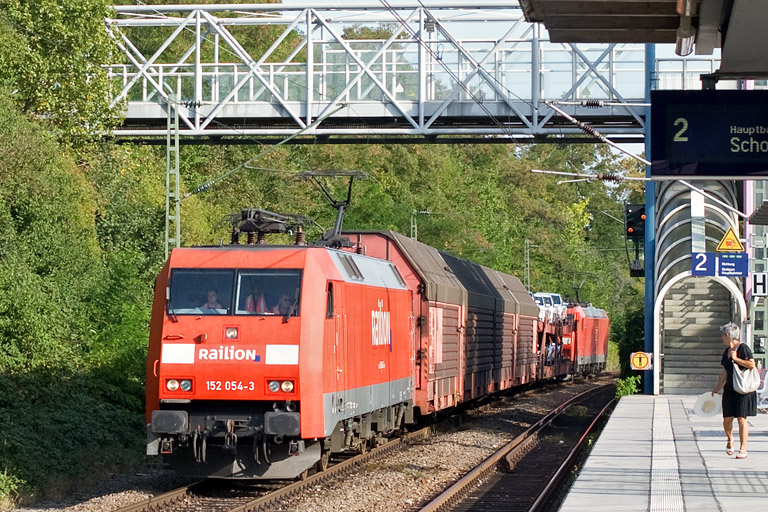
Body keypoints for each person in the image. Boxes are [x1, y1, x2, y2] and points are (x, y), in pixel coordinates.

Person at [711, 321, 757, 459]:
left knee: (742, 420)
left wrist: (736, 359)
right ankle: (730, 439)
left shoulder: (743, 348)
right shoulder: (726, 352)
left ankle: (743, 449)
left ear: (727, 335)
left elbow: (751, 364)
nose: (721, 338)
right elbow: (725, 371)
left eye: (723, 335)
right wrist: (717, 388)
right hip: (730, 389)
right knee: (727, 420)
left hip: (743, 390)